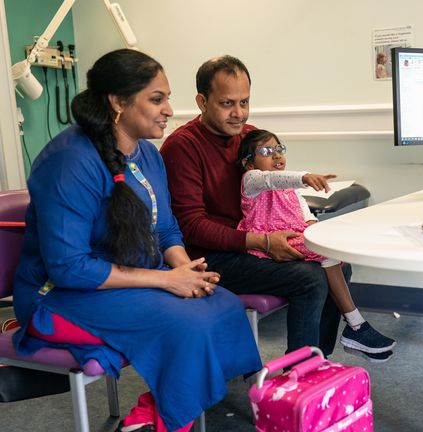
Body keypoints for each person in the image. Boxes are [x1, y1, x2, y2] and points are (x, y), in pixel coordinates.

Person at [12, 49, 261, 432]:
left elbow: (165, 228)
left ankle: (157, 408)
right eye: (156, 99)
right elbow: (68, 267)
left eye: (167, 98)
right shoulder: (69, 162)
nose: (168, 109)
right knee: (186, 326)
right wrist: (166, 280)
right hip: (60, 295)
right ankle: (168, 418)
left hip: (128, 279)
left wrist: (183, 267)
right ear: (118, 102)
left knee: (223, 305)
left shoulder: (147, 153)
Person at [160, 55, 354, 359]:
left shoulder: (250, 137)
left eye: (245, 102)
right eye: (227, 103)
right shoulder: (182, 147)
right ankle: (298, 376)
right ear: (202, 101)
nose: (238, 113)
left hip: (255, 242)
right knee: (310, 277)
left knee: (337, 264)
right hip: (212, 255)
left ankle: (318, 361)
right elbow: (190, 226)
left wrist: (306, 222)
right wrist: (262, 242)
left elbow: (277, 187)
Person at [235, 129, 396, 361]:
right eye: (267, 151)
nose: (277, 155)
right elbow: (269, 179)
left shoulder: (289, 188)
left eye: (279, 149)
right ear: (248, 163)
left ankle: (322, 353)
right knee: (325, 252)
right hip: (272, 242)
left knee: (338, 256)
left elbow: (304, 210)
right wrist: (304, 176)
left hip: (297, 236)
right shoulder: (251, 181)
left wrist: (313, 223)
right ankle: (356, 325)